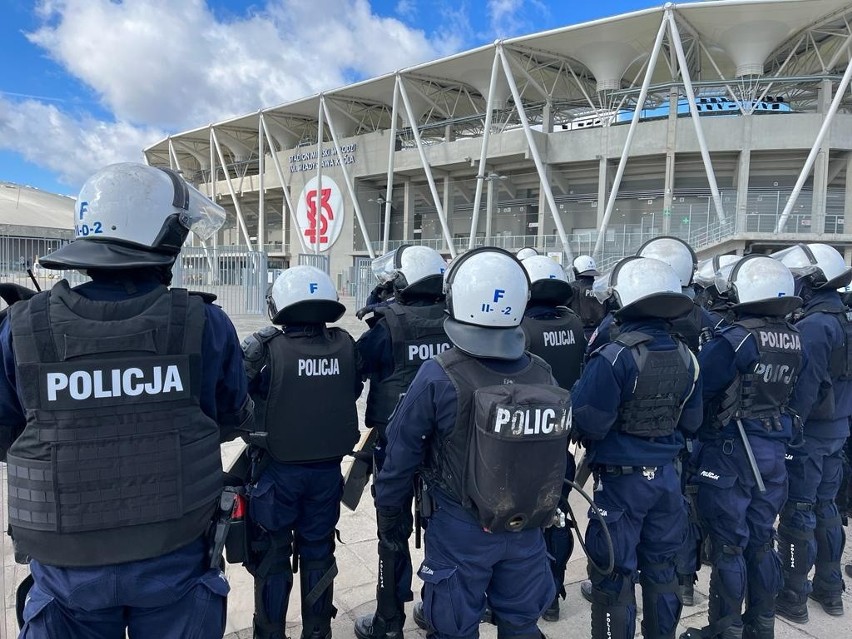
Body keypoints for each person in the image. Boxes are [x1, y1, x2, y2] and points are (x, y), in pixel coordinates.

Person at [0, 162, 253, 638]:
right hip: (173, 555)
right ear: (160, 239)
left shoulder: (21, 327)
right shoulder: (204, 323)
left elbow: (7, 432)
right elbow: (230, 416)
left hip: (66, 569)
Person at [374, 246, 570, 639]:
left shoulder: (439, 374)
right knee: (521, 625)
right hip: (525, 529)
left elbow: (401, 450)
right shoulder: (543, 373)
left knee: (453, 629)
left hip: (460, 530)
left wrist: (389, 506)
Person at [572, 256, 701, 639]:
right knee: (662, 570)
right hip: (667, 480)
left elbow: (589, 422)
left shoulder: (614, 357)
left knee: (613, 574)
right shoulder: (686, 356)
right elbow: (692, 422)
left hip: (622, 485)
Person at [681, 256, 803, 639]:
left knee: (730, 546)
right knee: (763, 539)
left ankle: (725, 629)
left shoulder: (734, 339)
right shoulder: (794, 338)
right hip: (772, 448)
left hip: (734, 451)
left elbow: (698, 393)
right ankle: (761, 624)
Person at [241, 265, 362, 639]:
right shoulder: (345, 344)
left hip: (276, 472)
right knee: (319, 551)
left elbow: (236, 398)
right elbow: (354, 390)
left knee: (274, 554)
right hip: (327, 472)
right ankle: (318, 632)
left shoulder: (265, 349)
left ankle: (270, 633)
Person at [354, 244, 450, 639]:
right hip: (446, 446)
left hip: (394, 445)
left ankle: (389, 621)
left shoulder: (387, 325)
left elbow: (357, 368)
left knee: (391, 533)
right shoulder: (455, 320)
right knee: (443, 530)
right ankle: (436, 610)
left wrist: (378, 307)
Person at [771, 244, 852, 623]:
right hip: (837, 430)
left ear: (813, 280)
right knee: (827, 507)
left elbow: (804, 389)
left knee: (799, 511)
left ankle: (793, 596)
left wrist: (788, 429)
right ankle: (830, 589)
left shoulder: (814, 326)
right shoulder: (844, 318)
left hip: (811, 434)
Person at [520, 254, 585, 622]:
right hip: (561, 436)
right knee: (558, 515)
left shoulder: (521, 326)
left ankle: (525, 593)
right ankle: (553, 595)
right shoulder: (574, 323)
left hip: (525, 440)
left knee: (524, 522)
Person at [567, 254, 606, 340]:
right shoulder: (602, 287)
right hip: (600, 331)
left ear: (575, 270)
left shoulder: (571, 288)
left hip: (577, 332)